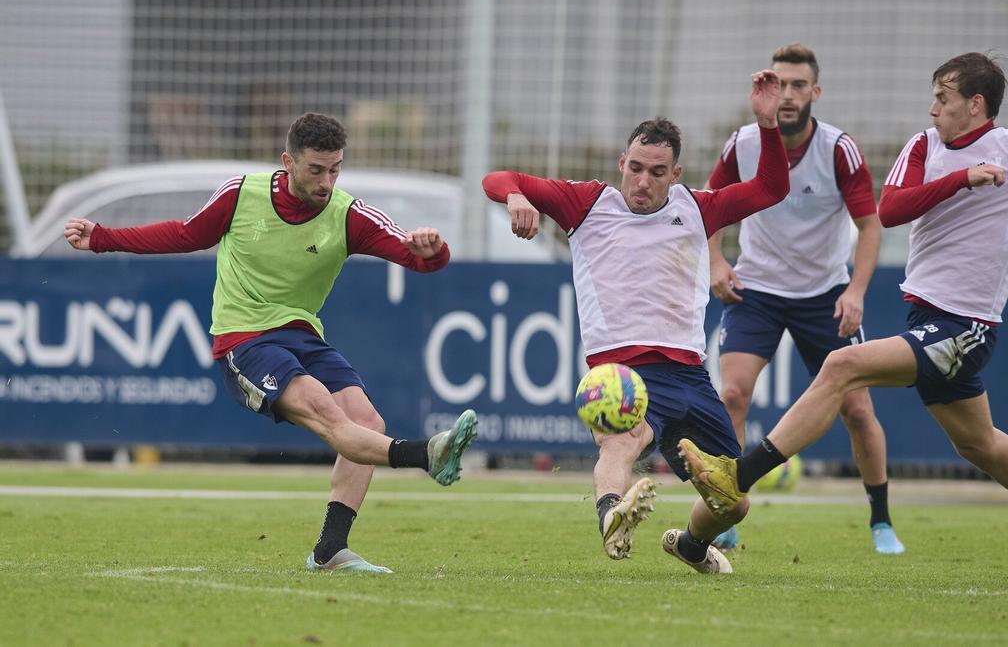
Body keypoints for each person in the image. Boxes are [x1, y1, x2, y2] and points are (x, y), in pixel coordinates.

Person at [679, 52, 1008, 587]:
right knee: (980, 445)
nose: (932, 107)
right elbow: (892, 209)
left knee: (842, 366)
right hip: (927, 315)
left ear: (975, 103)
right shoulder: (923, 145)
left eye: (942, 98)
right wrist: (962, 178)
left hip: (966, 325)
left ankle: (740, 475)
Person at [63, 112, 478, 574]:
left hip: (303, 336)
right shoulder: (241, 195)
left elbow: (421, 260)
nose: (327, 181)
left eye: (335, 169)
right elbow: (183, 234)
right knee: (329, 413)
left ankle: (329, 552)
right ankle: (425, 454)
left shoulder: (347, 214)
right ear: (288, 162)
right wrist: (100, 238)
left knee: (367, 419)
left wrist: (431, 250)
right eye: (316, 170)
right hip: (245, 341)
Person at [482, 71, 789, 574]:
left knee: (733, 501)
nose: (643, 182)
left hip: (689, 375)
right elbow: (497, 179)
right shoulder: (586, 203)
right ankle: (611, 516)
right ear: (622, 163)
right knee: (623, 441)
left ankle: (690, 545)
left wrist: (767, 124)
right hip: (620, 371)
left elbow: (773, 187)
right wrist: (516, 196)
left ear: (676, 173)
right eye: (636, 168)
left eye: (657, 172)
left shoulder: (699, 207)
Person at [705, 43, 903, 555]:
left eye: (797, 86)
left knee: (858, 408)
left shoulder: (840, 149)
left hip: (824, 295)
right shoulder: (743, 144)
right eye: (779, 84)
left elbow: (869, 226)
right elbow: (708, 210)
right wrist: (716, 263)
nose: (787, 95)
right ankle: (724, 513)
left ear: (815, 92)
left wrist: (855, 291)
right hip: (758, 290)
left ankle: (881, 521)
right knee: (732, 396)